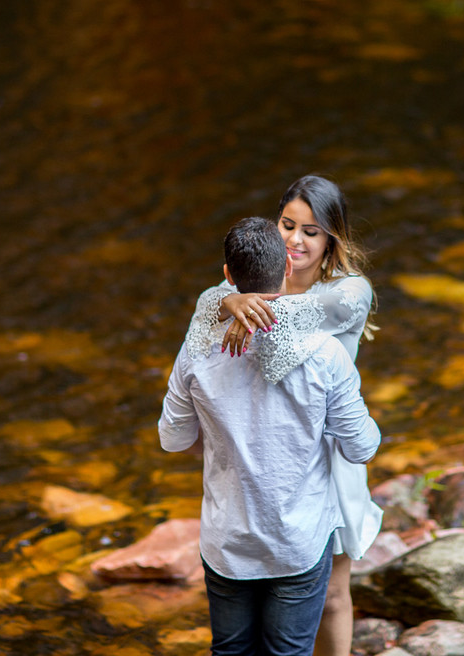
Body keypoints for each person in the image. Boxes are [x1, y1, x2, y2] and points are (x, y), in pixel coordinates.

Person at [161, 216, 381, 656]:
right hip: (297, 541)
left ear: (228, 276)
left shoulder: (196, 348)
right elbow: (362, 446)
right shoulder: (326, 354)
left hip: (227, 540)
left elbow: (173, 438)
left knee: (230, 651)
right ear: (288, 266)